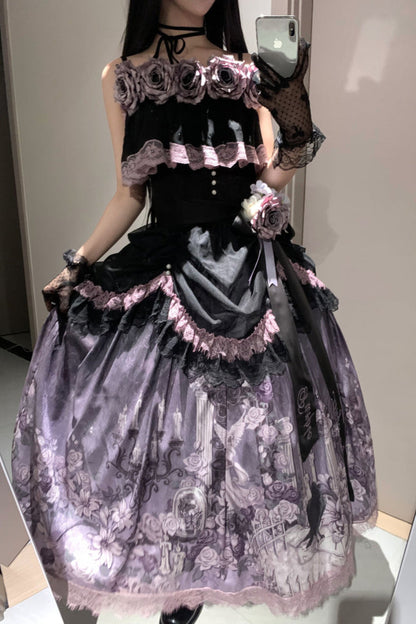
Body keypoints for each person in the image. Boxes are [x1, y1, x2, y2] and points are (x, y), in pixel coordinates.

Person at [10, 1, 378, 623]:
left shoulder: (246, 68)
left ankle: (201, 588)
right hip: (170, 270)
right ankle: (169, 589)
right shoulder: (123, 76)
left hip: (251, 276)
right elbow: (129, 194)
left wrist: (292, 116)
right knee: (171, 449)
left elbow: (270, 175)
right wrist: (80, 262)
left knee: (240, 450)